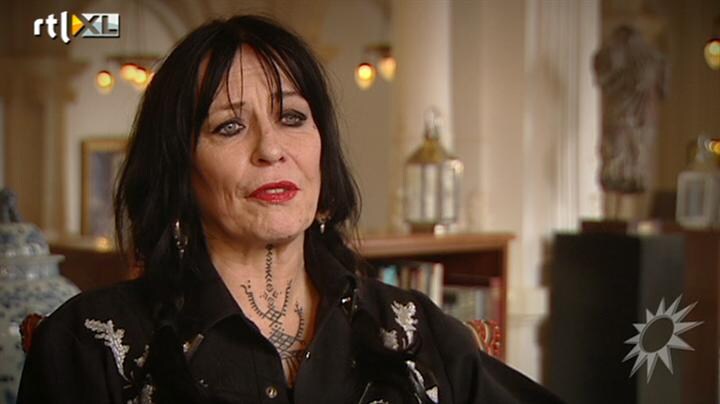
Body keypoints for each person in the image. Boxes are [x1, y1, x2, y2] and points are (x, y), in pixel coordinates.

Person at [18, 15, 562, 404]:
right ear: (179, 170)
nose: (271, 148)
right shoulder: (93, 342)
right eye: (229, 126)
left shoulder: (411, 328)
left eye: (293, 118)